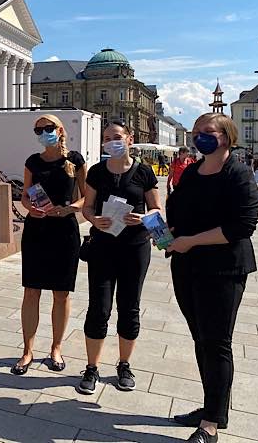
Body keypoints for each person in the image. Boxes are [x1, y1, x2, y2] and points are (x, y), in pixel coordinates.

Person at [166, 114, 258, 443]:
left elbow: (242, 227)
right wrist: (168, 231)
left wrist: (190, 241)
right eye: (196, 132)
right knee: (201, 340)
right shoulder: (192, 171)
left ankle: (210, 425)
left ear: (227, 136)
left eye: (207, 132)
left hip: (223, 269)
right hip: (187, 266)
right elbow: (176, 209)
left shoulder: (239, 175)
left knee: (217, 343)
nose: (198, 137)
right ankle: (212, 407)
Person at [77, 120, 161, 395]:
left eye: (116, 137)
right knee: (98, 308)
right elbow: (87, 207)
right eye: (106, 138)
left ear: (129, 139)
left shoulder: (144, 172)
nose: (111, 141)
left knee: (129, 307)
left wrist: (144, 218)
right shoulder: (97, 172)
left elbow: (157, 210)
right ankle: (91, 367)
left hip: (135, 247)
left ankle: (124, 365)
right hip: (103, 246)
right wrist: (94, 218)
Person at [13, 114, 86, 375]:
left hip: (65, 231)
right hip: (37, 230)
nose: (44, 132)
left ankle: (56, 347)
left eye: (48, 128)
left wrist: (68, 210)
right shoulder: (33, 161)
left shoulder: (74, 160)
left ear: (60, 130)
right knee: (31, 291)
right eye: (39, 129)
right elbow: (24, 195)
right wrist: (30, 209)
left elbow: (86, 198)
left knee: (61, 293)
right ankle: (27, 351)